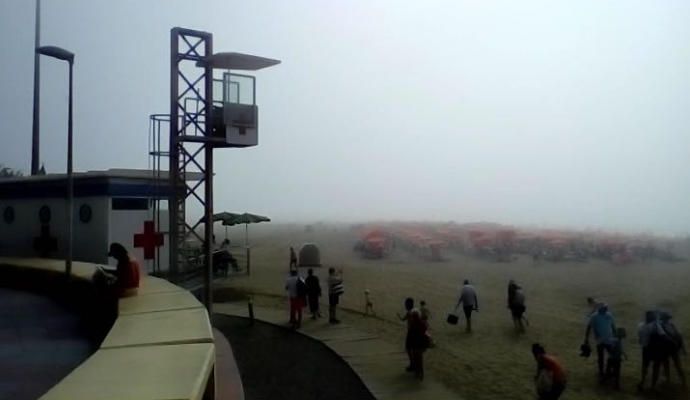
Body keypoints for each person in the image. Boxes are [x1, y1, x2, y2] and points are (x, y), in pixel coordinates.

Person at [584, 303, 616, 380]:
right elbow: (589, 327)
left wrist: (615, 336)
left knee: (612, 355)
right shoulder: (594, 316)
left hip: (609, 339)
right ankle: (601, 371)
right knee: (601, 357)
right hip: (600, 340)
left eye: (606, 307)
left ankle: (608, 371)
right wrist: (586, 338)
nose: (606, 309)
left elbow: (613, 326)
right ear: (600, 309)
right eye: (605, 308)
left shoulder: (609, 315)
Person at [659, 311, 687, 388]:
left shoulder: (670, 325)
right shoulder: (663, 326)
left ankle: (682, 381)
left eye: (667, 318)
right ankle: (670, 380)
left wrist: (682, 348)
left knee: (676, 365)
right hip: (666, 349)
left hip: (672, 349)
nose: (667, 319)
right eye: (666, 318)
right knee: (668, 365)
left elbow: (679, 336)